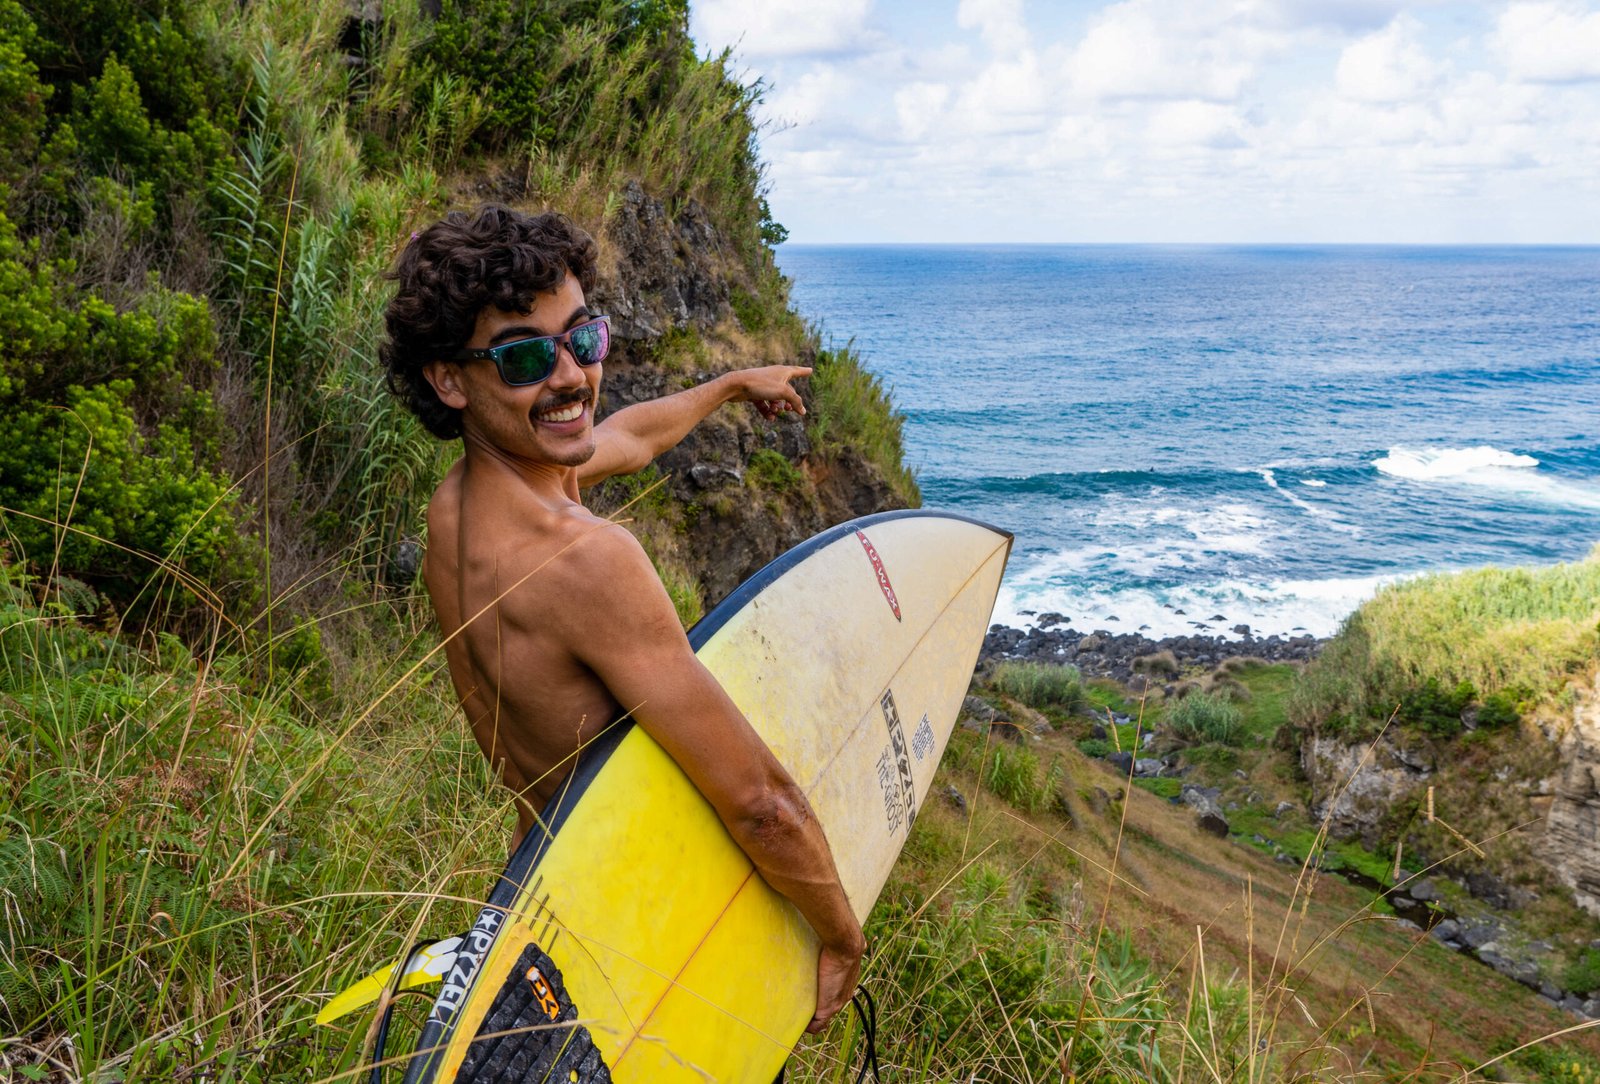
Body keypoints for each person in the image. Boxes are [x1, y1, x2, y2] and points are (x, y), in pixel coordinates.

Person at [379, 204, 864, 1034]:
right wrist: (840, 934)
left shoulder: (457, 509)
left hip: (545, 892)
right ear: (448, 379)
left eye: (584, 338)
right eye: (525, 355)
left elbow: (627, 439)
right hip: (643, 923)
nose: (570, 375)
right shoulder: (586, 561)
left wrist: (733, 385)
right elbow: (760, 804)